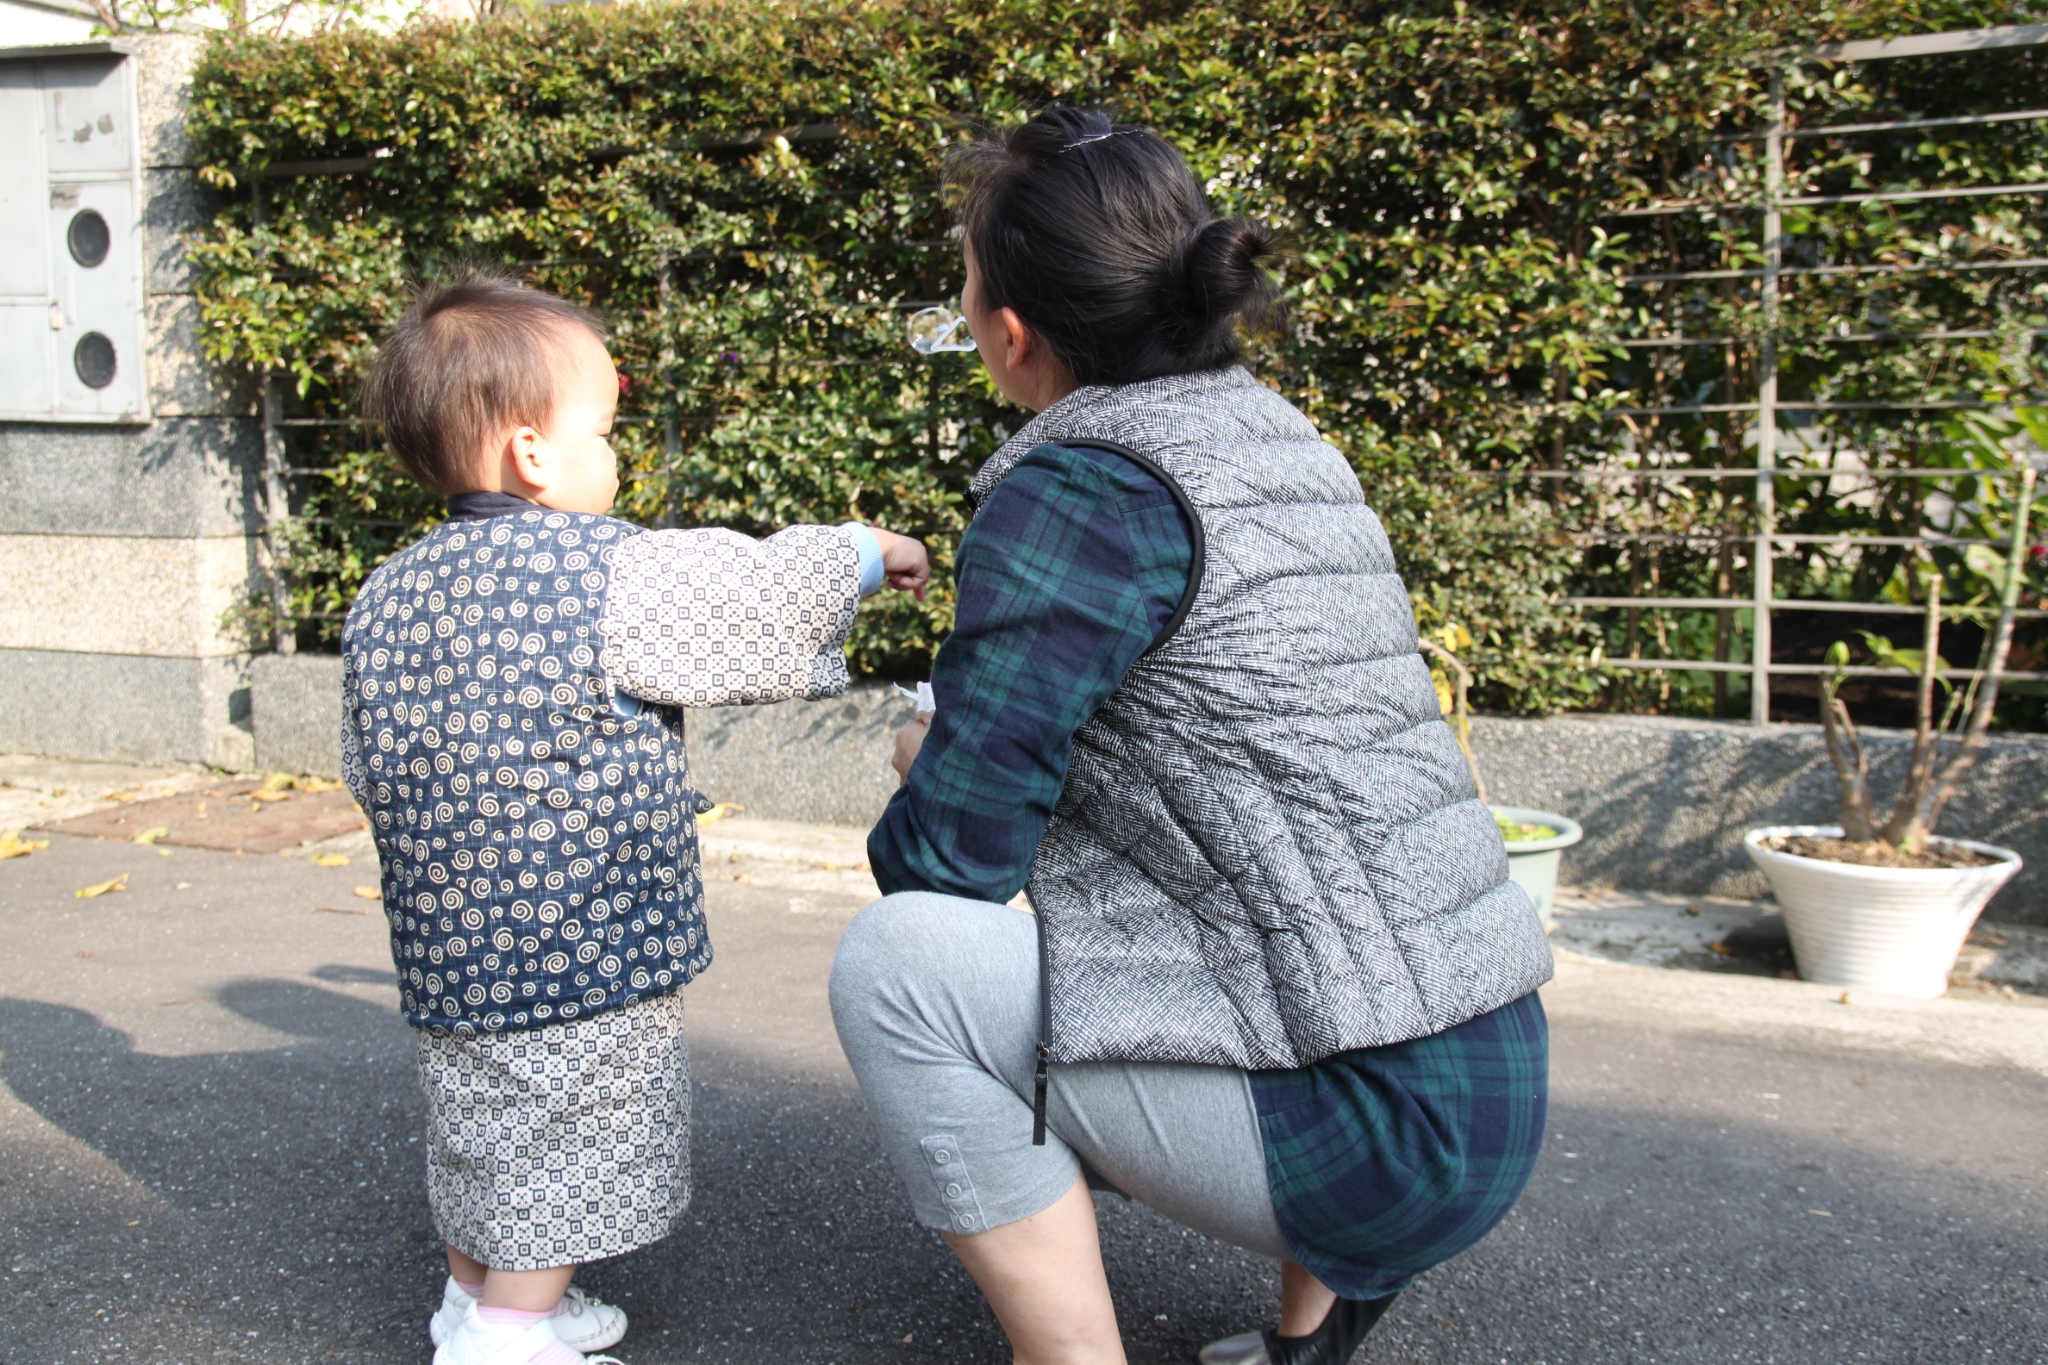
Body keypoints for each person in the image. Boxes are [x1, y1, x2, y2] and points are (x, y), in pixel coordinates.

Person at [829, 109, 1552, 1365]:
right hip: (1491, 1072)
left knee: (896, 967)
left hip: (1375, 1138)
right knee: (1296, 890)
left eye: (964, 287)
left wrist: (919, 762)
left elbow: (951, 861)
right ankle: (1306, 1341)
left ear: (1009, 332)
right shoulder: (1275, 440)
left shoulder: (1081, 486)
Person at [344, 273, 928, 1365]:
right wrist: (861, 551)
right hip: (581, 933)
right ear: (532, 453)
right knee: (572, 1132)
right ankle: (508, 1336)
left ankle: (478, 1300)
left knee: (479, 1126)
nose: (616, 457)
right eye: (604, 433)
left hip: (445, 939)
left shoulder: (386, 593)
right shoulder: (600, 572)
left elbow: (364, 764)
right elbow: (745, 590)